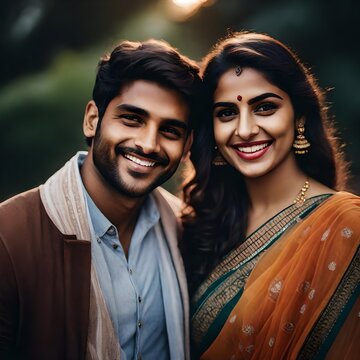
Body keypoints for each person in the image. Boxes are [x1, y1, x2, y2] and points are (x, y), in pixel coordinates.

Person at [0, 39, 201, 360]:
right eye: (132, 119)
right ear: (93, 120)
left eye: (170, 131)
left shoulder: (186, 229)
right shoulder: (9, 236)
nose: (148, 144)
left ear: (187, 145)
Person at [182, 32, 359, 359]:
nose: (245, 129)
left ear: (300, 116)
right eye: (226, 113)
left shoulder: (346, 226)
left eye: (264, 107)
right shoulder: (206, 222)